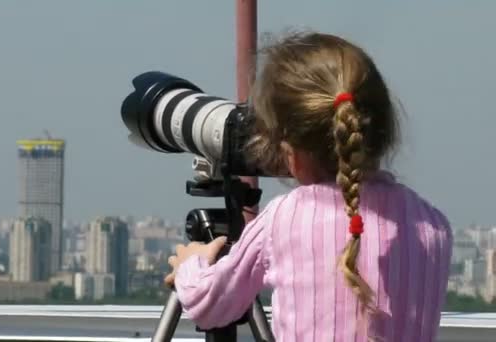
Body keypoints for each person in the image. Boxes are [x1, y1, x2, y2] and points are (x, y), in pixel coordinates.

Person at [164, 31, 453, 342]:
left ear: (289, 152)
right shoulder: (433, 226)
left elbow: (211, 306)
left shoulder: (283, 219)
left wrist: (190, 265)